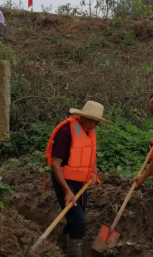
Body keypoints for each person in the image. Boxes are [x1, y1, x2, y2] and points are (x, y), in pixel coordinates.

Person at [45, 101, 112, 257]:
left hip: (80, 182)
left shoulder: (90, 132)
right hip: (64, 180)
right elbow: (55, 165)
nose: (93, 124)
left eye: (96, 122)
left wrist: (93, 173)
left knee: (74, 219)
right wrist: (67, 191)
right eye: (91, 120)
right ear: (81, 116)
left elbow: (91, 154)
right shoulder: (66, 132)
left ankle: (60, 247)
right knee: (80, 223)